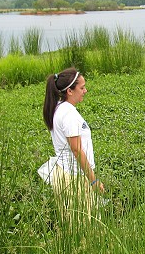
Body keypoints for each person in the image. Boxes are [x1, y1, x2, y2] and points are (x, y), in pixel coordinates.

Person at [42, 67, 104, 217]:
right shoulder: (69, 114)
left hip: (65, 175)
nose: (85, 91)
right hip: (74, 179)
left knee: (74, 228)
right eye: (82, 88)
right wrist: (94, 181)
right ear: (70, 91)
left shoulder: (59, 108)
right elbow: (76, 150)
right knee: (86, 230)